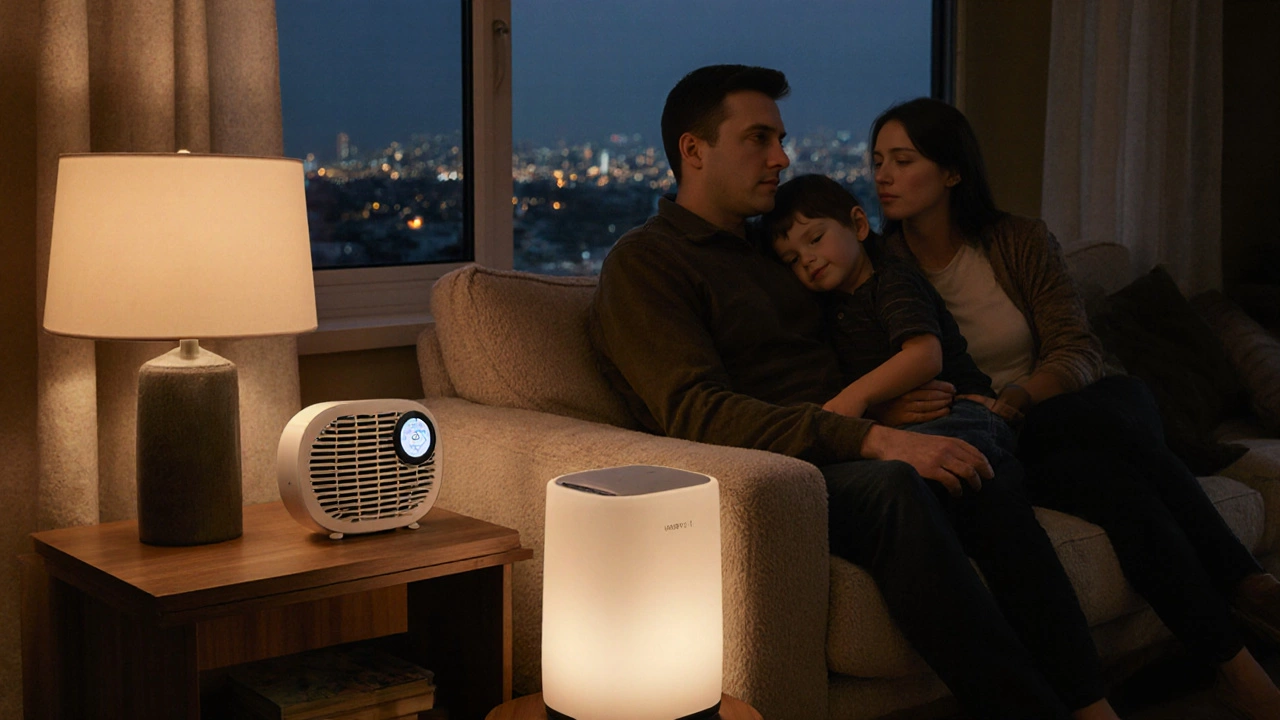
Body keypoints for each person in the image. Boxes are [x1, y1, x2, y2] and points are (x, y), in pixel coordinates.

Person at [588, 64, 1115, 720]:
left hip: (848, 440)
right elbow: (698, 411)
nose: (781, 158)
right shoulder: (646, 263)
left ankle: (1092, 705)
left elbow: (856, 335)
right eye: (759, 139)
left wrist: (889, 408)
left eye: (780, 139)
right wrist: (870, 434)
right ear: (693, 151)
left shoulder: (775, 249)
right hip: (777, 474)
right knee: (901, 487)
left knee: (987, 464)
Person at [869, 95, 1280, 719]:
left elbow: (1075, 346)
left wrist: (1016, 398)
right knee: (1120, 491)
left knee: (1103, 418)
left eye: (902, 160)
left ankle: (1237, 643)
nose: (883, 176)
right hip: (1027, 442)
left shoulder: (1017, 240)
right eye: (877, 162)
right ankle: (1238, 653)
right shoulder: (886, 273)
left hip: (1078, 402)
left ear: (952, 172)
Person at [761, 173, 1120, 718]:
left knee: (972, 479)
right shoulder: (829, 312)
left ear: (858, 224)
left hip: (969, 415)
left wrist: (852, 403)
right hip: (921, 431)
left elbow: (923, 357)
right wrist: (878, 412)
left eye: (814, 239)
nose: (806, 261)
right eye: (790, 257)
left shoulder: (891, 283)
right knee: (957, 492)